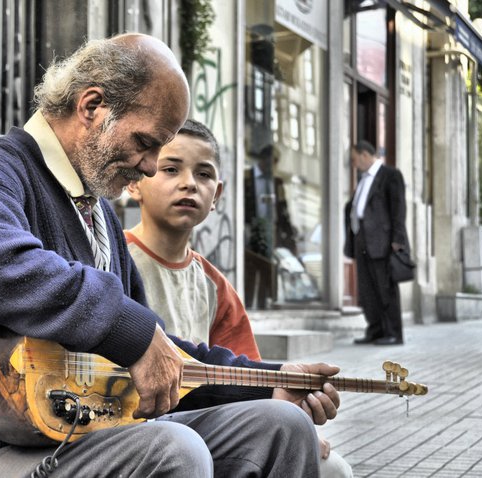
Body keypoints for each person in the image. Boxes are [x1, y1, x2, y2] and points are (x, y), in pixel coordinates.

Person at [0, 34, 340, 478]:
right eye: (146, 142)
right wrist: (129, 330)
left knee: (282, 425)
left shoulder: (99, 214)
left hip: (90, 430)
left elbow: (160, 354)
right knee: (173, 448)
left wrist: (270, 383)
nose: (149, 166)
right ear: (91, 106)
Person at [126, 118, 354, 478]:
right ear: (135, 182)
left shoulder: (215, 286)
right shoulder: (114, 260)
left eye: (203, 175)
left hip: (212, 422)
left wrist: (292, 409)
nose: (188, 183)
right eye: (171, 169)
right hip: (132, 425)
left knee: (335, 469)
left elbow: (248, 380)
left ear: (216, 195)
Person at [344, 141, 408, 346]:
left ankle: (393, 333)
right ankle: (375, 329)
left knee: (385, 288)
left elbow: (398, 209)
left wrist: (398, 239)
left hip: (383, 241)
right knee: (367, 289)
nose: (354, 164)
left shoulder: (390, 175)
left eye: (354, 159)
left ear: (364, 155)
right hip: (361, 238)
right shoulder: (363, 180)